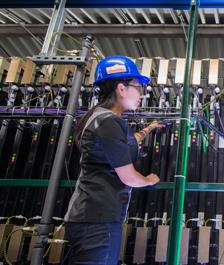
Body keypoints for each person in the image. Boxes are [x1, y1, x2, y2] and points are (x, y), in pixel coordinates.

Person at [64, 55, 162, 265]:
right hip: (97, 221)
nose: (142, 94)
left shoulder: (102, 118)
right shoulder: (108, 122)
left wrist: (149, 128)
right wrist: (149, 180)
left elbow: (126, 143)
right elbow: (128, 177)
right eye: (137, 86)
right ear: (121, 88)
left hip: (91, 218)